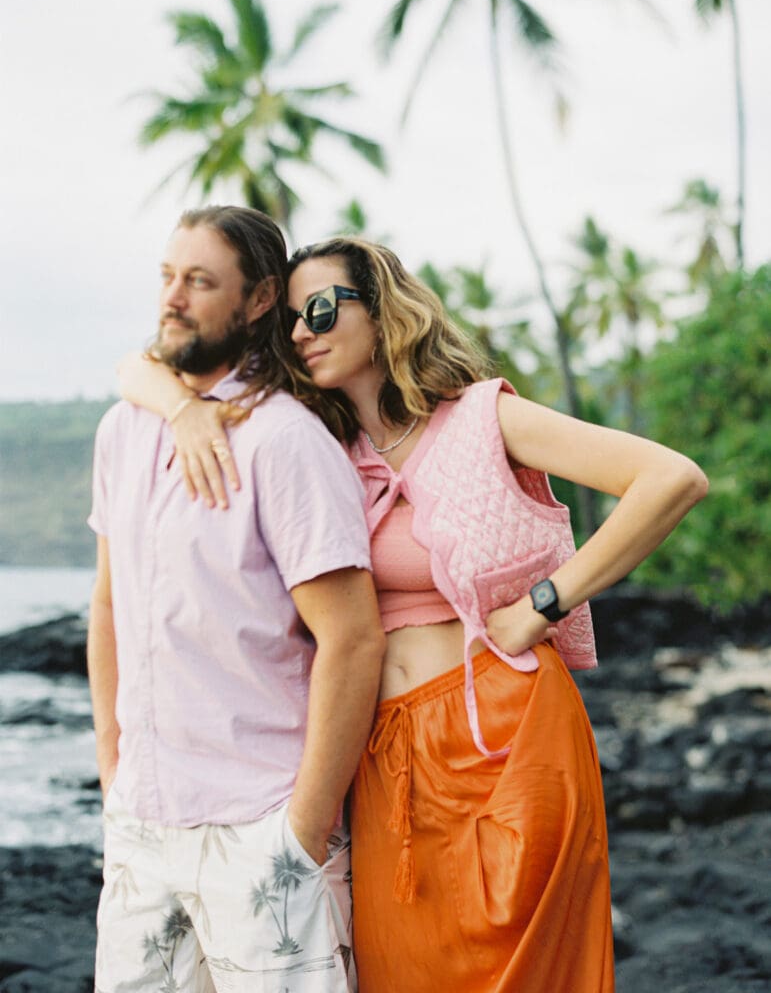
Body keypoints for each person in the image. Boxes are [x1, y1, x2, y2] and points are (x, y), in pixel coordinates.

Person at [119, 233, 709, 992]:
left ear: (382, 310)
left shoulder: (482, 419)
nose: (303, 332)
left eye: (323, 310)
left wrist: (542, 606)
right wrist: (179, 408)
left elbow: (669, 479)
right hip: (382, 762)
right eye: (291, 321)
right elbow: (138, 366)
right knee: (399, 972)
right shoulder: (323, 447)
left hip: (506, 738)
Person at [87, 207, 386, 993]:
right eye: (167, 277)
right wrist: (111, 765)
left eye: (199, 281)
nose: (173, 297)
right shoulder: (122, 431)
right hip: (141, 822)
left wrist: (302, 829)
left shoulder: (285, 442)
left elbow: (352, 639)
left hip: (259, 824)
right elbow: (109, 607)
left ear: (257, 300)